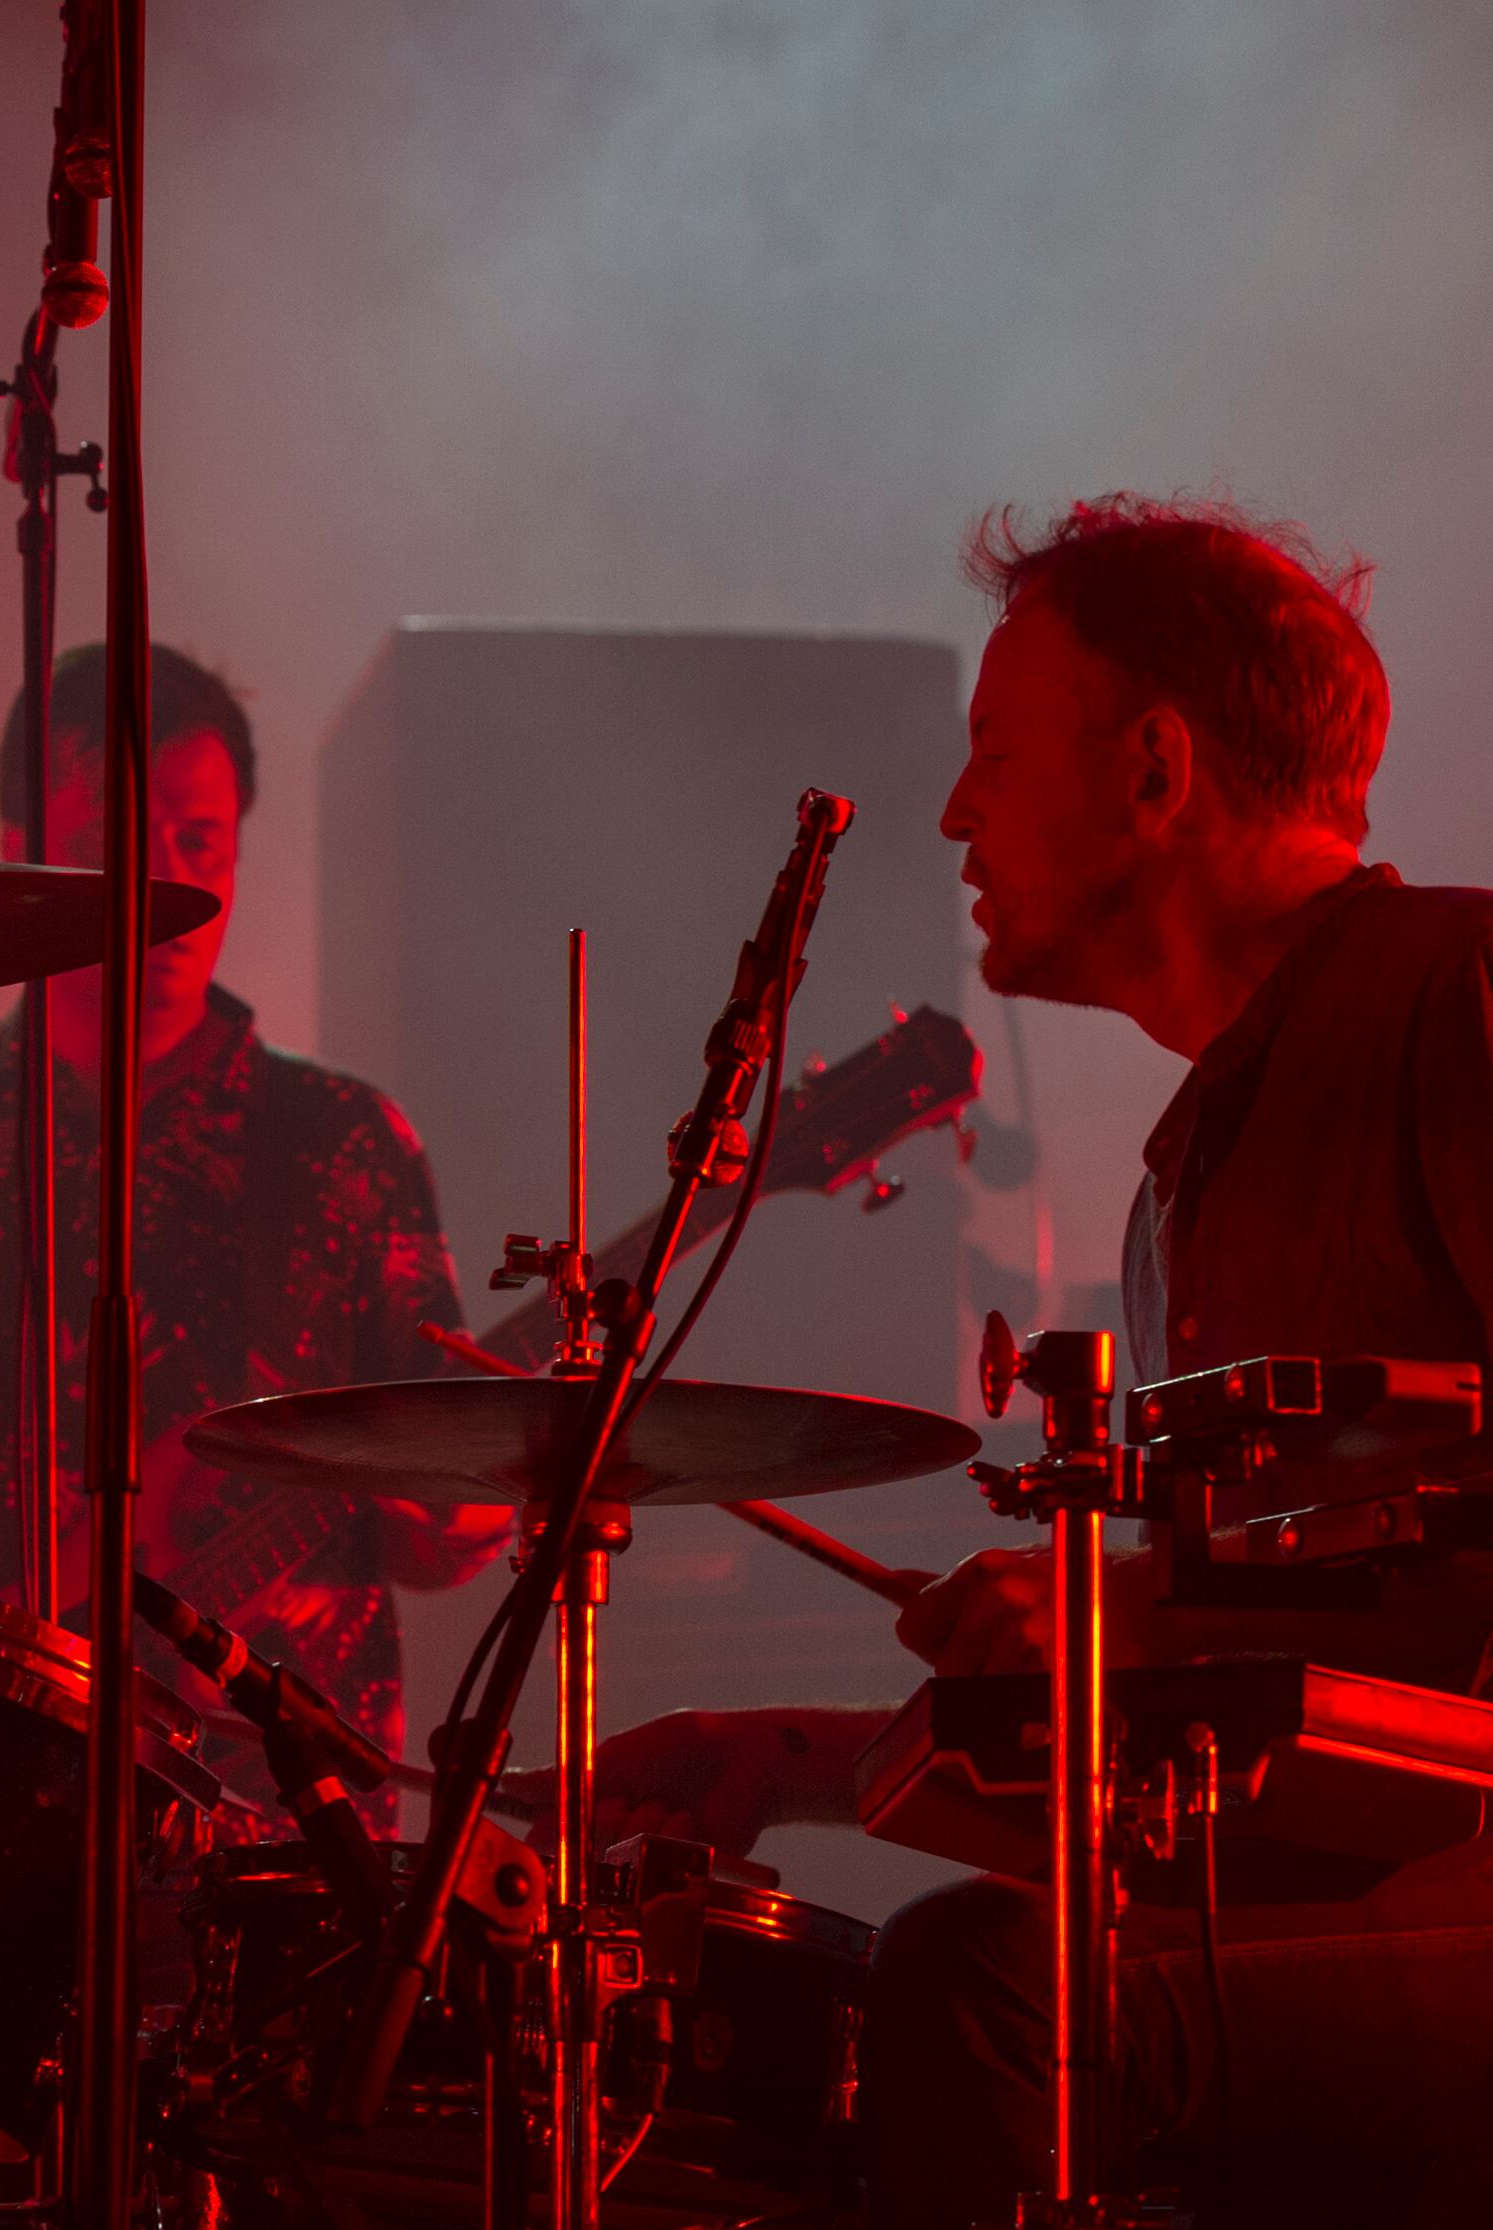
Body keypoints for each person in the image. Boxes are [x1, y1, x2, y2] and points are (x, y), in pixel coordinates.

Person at [575, 497, 1493, 2225]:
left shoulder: (1459, 994)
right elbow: (1234, 1701)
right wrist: (808, 1759)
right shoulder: (1182, 1178)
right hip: (1376, 1878)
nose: (954, 811)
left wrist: (1121, 1617)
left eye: (997, 749)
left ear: (1156, 771)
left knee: (994, 1990)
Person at [0, 644, 508, 1799]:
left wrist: (466, 1506)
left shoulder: (342, 1140)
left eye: (199, 845)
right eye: (110, 846)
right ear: (20, 854)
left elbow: (427, 1535)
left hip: (275, 1831)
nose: (165, 893)